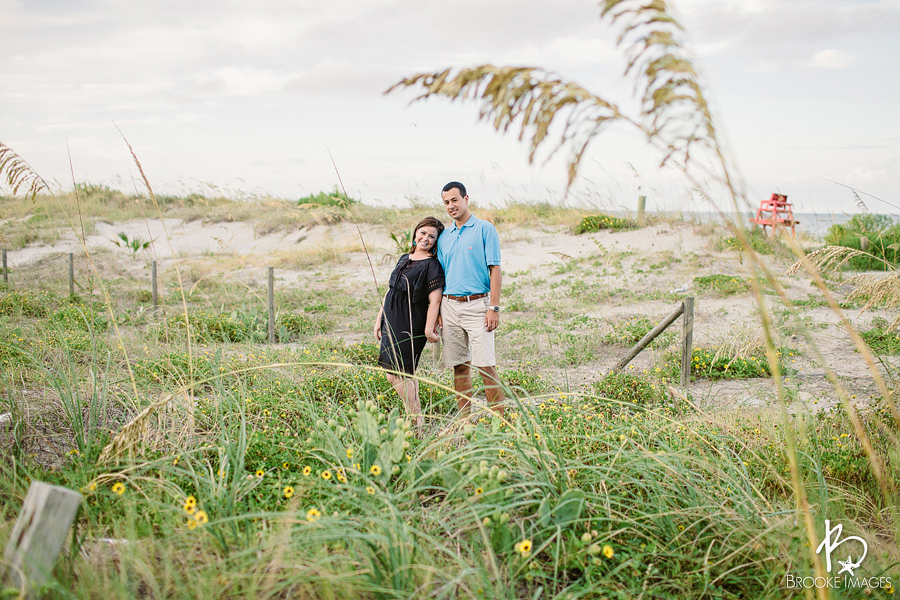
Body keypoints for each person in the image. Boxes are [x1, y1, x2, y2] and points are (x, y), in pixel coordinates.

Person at [436, 181, 505, 415]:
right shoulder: (444, 237)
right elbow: (440, 277)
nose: (451, 206)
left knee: (486, 367)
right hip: (449, 306)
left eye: (455, 200)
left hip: (478, 305)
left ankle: (499, 422)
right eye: (446, 202)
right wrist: (437, 312)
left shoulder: (485, 229)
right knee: (459, 367)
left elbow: (494, 269)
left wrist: (493, 307)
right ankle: (464, 420)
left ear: (466, 199)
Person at [373, 216, 445, 427]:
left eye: (432, 236)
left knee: (395, 374)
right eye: (423, 233)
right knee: (405, 374)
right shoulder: (405, 258)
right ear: (415, 233)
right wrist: (380, 319)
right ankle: (414, 418)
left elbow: (435, 300)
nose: (426, 238)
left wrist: (429, 328)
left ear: (435, 242)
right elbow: (390, 291)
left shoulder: (432, 265)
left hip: (410, 322)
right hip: (391, 319)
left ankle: (416, 419)